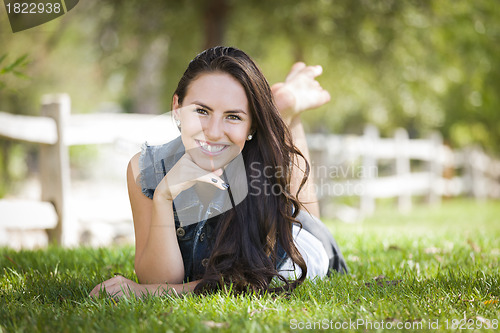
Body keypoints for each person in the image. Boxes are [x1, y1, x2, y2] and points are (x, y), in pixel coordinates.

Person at [90, 46, 347, 299]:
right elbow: (159, 281)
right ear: (177, 107)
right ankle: (283, 108)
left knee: (305, 214)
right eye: (201, 111)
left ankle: (286, 109)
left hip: (296, 248)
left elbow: (248, 281)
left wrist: (143, 294)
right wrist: (163, 197)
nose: (213, 132)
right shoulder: (146, 169)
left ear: (251, 125)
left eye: (233, 116)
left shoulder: (259, 164)